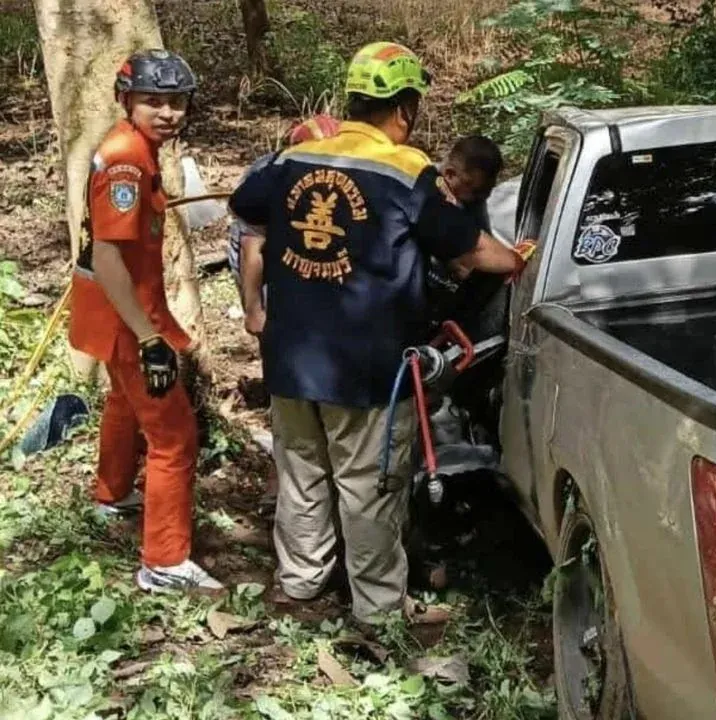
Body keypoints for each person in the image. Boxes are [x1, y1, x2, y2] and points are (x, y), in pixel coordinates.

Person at [227, 41, 528, 625]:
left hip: (290, 355)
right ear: (405, 109)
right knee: (369, 487)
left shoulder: (294, 158)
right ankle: (380, 612)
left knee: (303, 473)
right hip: (367, 370)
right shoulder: (407, 170)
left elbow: (246, 212)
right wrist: (517, 262)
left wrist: (254, 304)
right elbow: (469, 251)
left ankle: (301, 582)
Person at [67, 48, 224, 593]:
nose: (167, 112)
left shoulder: (133, 147)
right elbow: (109, 255)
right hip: (126, 317)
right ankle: (164, 560)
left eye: (176, 102)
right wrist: (150, 338)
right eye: (153, 101)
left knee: (122, 403)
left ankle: (112, 493)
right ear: (126, 100)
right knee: (175, 435)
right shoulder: (127, 160)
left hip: (111, 310)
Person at [227, 114, 341, 512]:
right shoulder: (270, 180)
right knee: (288, 397)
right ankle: (282, 486)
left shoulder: (342, 174)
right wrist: (254, 308)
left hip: (319, 294)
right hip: (278, 292)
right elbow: (250, 251)